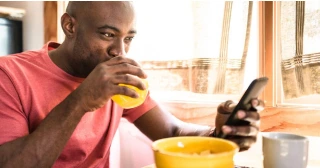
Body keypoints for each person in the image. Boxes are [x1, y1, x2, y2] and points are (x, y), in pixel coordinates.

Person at [0, 1, 261, 168]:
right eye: (108, 34)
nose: (120, 51)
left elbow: (172, 132)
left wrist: (219, 136)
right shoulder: (9, 76)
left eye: (128, 38)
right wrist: (81, 100)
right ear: (70, 26)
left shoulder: (115, 78)